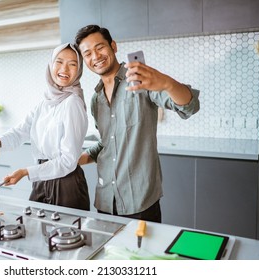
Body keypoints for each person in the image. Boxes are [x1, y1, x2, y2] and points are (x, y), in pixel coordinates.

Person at [75, 25, 200, 222]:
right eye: (88, 53)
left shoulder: (141, 80)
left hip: (141, 203)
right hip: (105, 201)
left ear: (113, 46)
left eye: (100, 47)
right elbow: (107, 144)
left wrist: (166, 83)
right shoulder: (95, 100)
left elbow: (190, 106)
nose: (95, 56)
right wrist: (75, 160)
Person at [0, 43, 90, 211]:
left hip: (66, 184)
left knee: (66, 235)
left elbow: (69, 161)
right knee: (39, 231)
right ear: (51, 64)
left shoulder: (73, 103)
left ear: (79, 70)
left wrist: (26, 172)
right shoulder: (44, 103)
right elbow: (20, 131)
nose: (65, 69)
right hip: (41, 179)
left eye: (72, 64)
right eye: (59, 61)